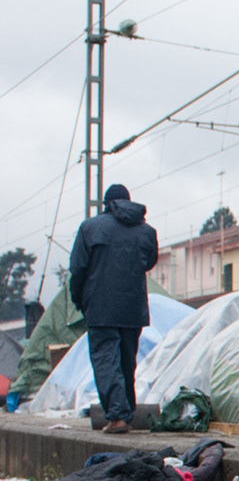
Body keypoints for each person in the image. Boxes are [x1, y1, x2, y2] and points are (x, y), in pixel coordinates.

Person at [69, 183, 158, 434]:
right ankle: (125, 413)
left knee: (106, 360)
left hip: (100, 306)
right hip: (133, 306)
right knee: (126, 361)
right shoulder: (147, 232)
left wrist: (79, 299)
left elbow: (78, 268)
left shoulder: (90, 227)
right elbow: (149, 262)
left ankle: (118, 416)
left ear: (106, 204)